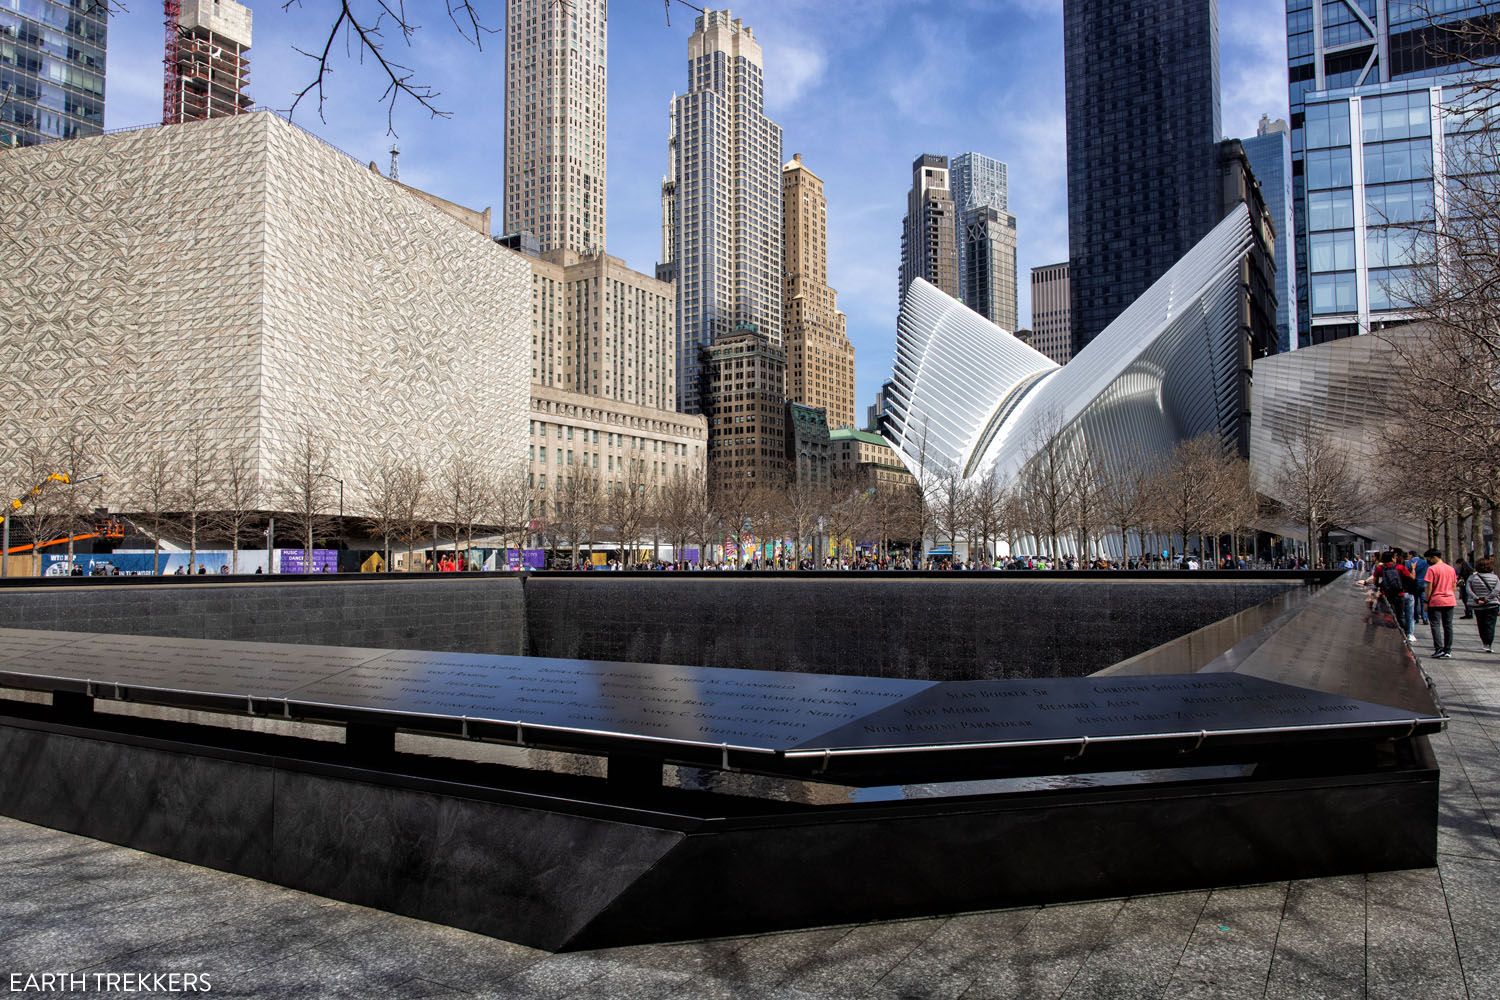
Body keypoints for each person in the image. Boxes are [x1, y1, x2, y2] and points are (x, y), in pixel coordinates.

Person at [1423, 549, 1458, 659]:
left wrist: (1426, 601)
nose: (1427, 561)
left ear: (1433, 557)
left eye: (1428, 558)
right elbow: (1454, 586)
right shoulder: (1451, 569)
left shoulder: (1431, 569)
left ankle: (1438, 649)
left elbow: (1429, 587)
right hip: (1450, 600)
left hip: (1436, 600)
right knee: (1448, 626)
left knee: (1435, 625)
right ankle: (1448, 650)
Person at [1466, 557, 1499, 654]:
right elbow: (1497, 590)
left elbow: (1468, 590)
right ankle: (1489, 644)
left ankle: (1485, 642)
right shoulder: (1495, 577)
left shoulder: (1472, 577)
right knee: (1490, 625)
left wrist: (1476, 598)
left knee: (1481, 624)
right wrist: (1487, 599)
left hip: (1478, 605)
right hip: (1492, 604)